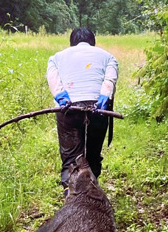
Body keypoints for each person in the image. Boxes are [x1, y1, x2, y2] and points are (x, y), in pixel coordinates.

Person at [46, 27, 118, 195]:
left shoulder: (56, 58)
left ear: (72, 43)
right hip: (98, 110)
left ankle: (71, 195)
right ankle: (91, 192)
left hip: (68, 109)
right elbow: (110, 80)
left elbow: (53, 80)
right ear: (93, 42)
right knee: (93, 154)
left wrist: (62, 97)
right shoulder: (108, 57)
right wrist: (103, 97)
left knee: (70, 156)